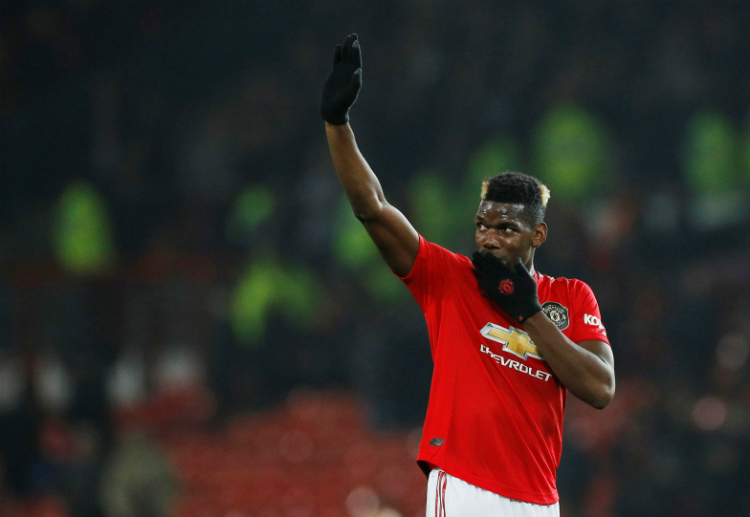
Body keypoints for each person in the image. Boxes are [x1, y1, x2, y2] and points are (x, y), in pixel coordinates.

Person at [321, 34, 615, 516]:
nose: (489, 238)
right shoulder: (448, 278)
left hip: (540, 501)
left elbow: (600, 389)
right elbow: (372, 208)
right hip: (465, 488)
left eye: (505, 228)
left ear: (537, 235)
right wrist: (337, 124)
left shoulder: (571, 296)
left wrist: (529, 313)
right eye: (482, 225)